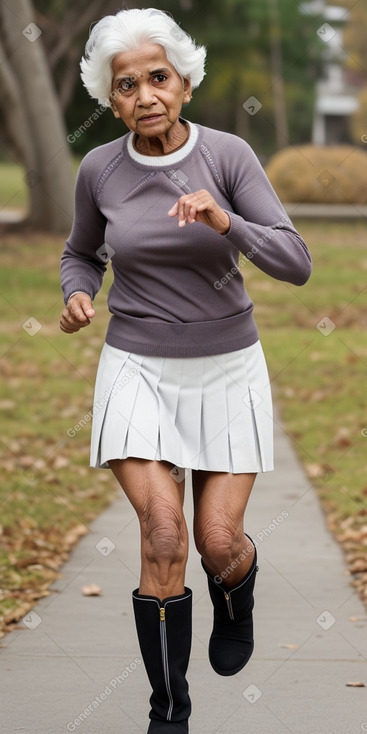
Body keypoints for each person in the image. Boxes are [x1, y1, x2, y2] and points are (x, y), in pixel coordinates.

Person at [60, 8, 312, 733]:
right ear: (111, 100)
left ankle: (237, 591)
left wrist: (225, 222)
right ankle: (168, 714)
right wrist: (78, 293)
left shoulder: (228, 156)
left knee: (216, 543)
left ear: (185, 83)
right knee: (163, 533)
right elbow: (80, 250)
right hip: (136, 364)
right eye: (127, 84)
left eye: (158, 77)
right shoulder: (98, 168)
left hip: (227, 368)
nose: (144, 94)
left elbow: (294, 262)